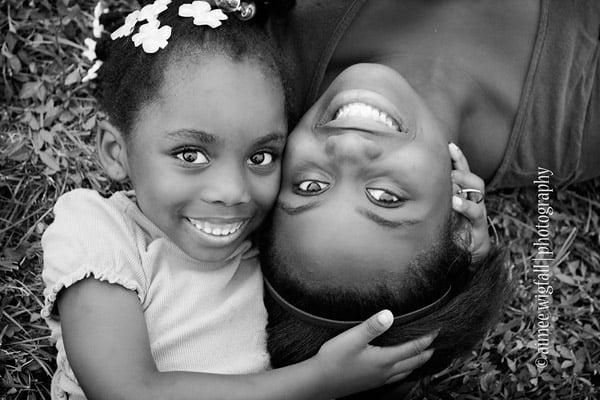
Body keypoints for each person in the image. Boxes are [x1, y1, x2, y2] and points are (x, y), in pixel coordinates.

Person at [40, 1, 439, 399]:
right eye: (190, 155)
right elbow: (127, 391)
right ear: (114, 151)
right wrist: (318, 380)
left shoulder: (250, 243)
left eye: (260, 157)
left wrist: (459, 242)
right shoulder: (100, 233)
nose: (234, 191)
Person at [261, 0, 598, 396]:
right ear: (458, 224)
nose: (348, 147)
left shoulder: (269, 38)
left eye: (310, 187)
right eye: (385, 197)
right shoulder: (577, 120)